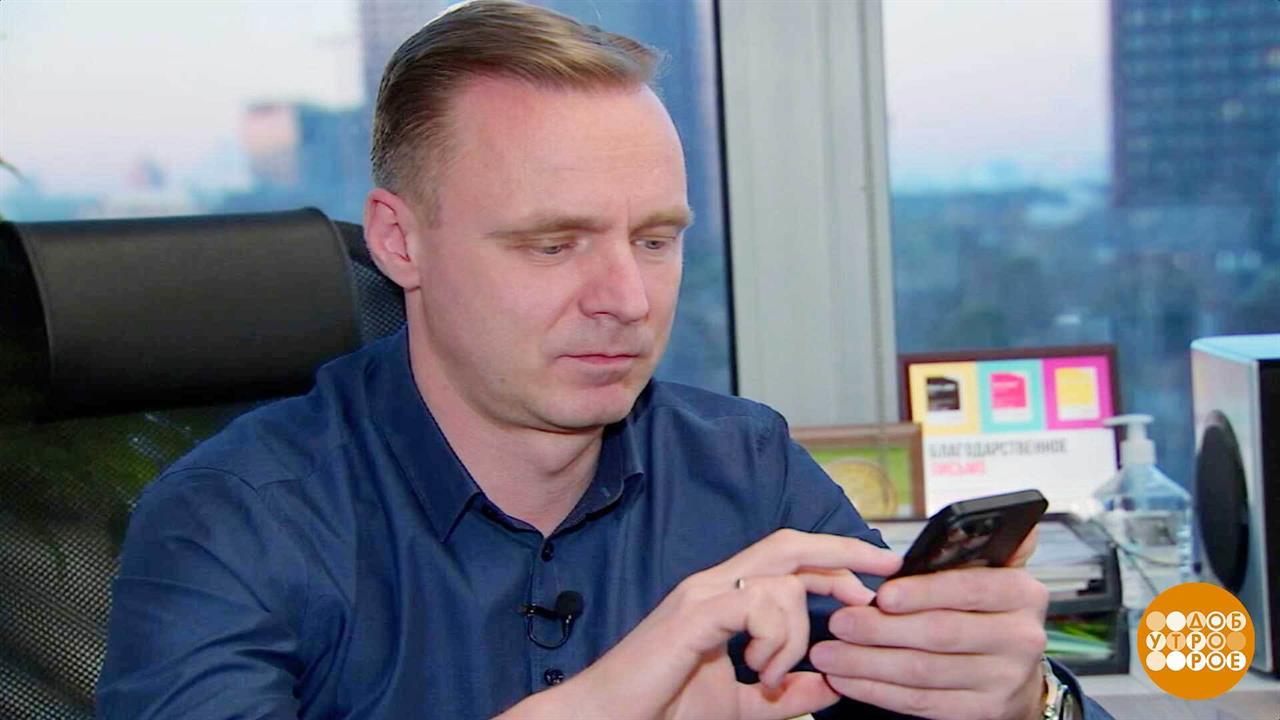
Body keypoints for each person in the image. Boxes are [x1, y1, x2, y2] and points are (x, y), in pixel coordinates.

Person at [97, 2, 1112, 719]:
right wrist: (619, 696)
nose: (626, 299)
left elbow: (943, 686)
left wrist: (1017, 700)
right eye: (553, 244)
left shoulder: (742, 467)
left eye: (656, 239)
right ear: (400, 242)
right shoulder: (233, 519)